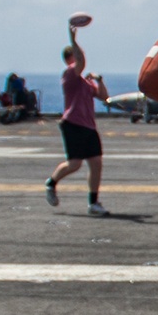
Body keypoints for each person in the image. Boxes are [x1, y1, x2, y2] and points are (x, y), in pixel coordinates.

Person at [44, 24, 109, 215]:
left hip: (89, 126)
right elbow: (81, 60)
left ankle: (93, 203)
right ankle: (51, 183)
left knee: (96, 163)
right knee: (75, 164)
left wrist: (99, 80)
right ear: (69, 59)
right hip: (73, 124)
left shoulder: (86, 82)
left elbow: (104, 96)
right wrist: (73, 40)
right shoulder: (69, 76)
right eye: (75, 56)